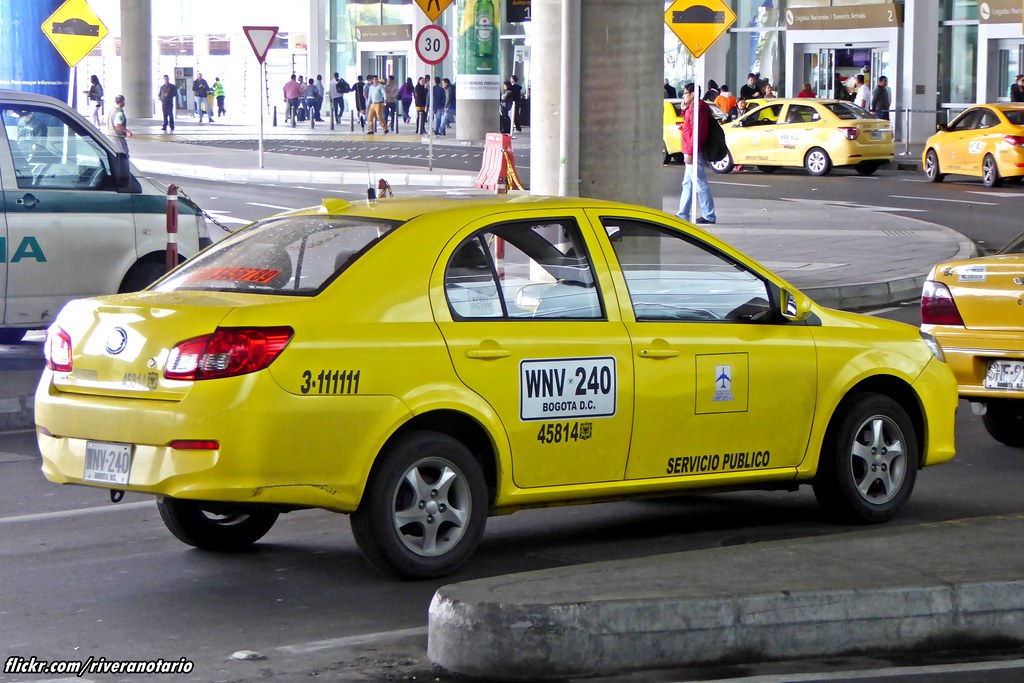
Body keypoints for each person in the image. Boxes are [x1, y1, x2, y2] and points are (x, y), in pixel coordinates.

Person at [675, 83, 715, 225]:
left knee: (699, 183)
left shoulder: (698, 109)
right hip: (690, 150)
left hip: (694, 151)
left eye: (685, 93)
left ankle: (709, 215)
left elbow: (697, 133)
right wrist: (684, 110)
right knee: (688, 183)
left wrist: (690, 152)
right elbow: (689, 127)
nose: (683, 96)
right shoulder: (693, 108)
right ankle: (683, 213)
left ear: (692, 94)